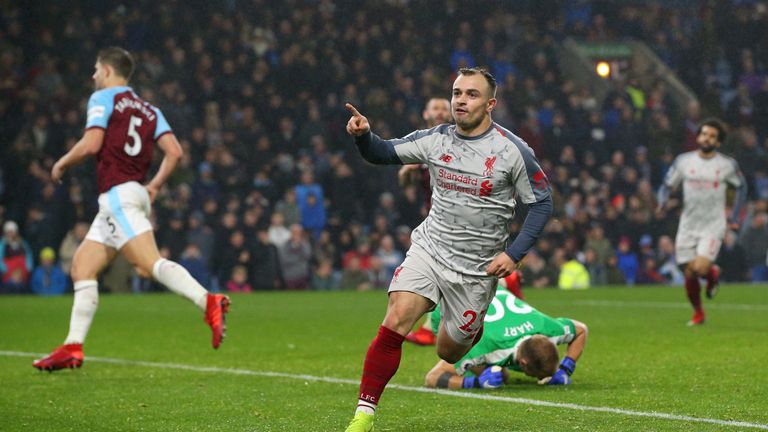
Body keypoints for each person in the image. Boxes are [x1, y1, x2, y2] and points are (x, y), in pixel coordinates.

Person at [343, 67, 553, 431]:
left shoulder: (512, 151)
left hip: (477, 269)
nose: (460, 100)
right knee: (397, 318)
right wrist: (364, 136)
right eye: (457, 93)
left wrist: (514, 253)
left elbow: (542, 204)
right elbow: (382, 152)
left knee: (447, 351)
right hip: (431, 248)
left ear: (490, 104)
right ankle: (363, 415)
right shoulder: (435, 139)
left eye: (471, 94)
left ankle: (469, 325)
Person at [33, 47, 230, 372]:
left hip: (118, 196)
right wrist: (154, 186)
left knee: (149, 264)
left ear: (109, 71)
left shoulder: (103, 99)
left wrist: (62, 161)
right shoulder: (150, 110)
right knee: (83, 267)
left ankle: (208, 301)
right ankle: (72, 346)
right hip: (128, 194)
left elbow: (93, 143)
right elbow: (175, 152)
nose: (94, 75)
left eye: (97, 69)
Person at [657, 118, 747, 326]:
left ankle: (711, 273)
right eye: (704, 134)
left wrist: (733, 215)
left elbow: (741, 186)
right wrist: (662, 201)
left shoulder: (726, 165)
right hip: (688, 224)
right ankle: (699, 312)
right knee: (688, 271)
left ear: (718, 142)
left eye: (712, 136)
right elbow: (666, 185)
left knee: (699, 267)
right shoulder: (683, 161)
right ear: (698, 136)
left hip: (713, 225)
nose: (707, 138)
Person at [424, 284, 588, 389]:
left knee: (499, 375)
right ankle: (473, 372)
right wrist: (474, 383)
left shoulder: (547, 328)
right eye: (536, 375)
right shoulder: (485, 347)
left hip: (486, 289)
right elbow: (432, 378)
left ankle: (482, 371)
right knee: (496, 375)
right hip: (448, 311)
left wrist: (565, 369)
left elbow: (581, 330)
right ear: (523, 364)